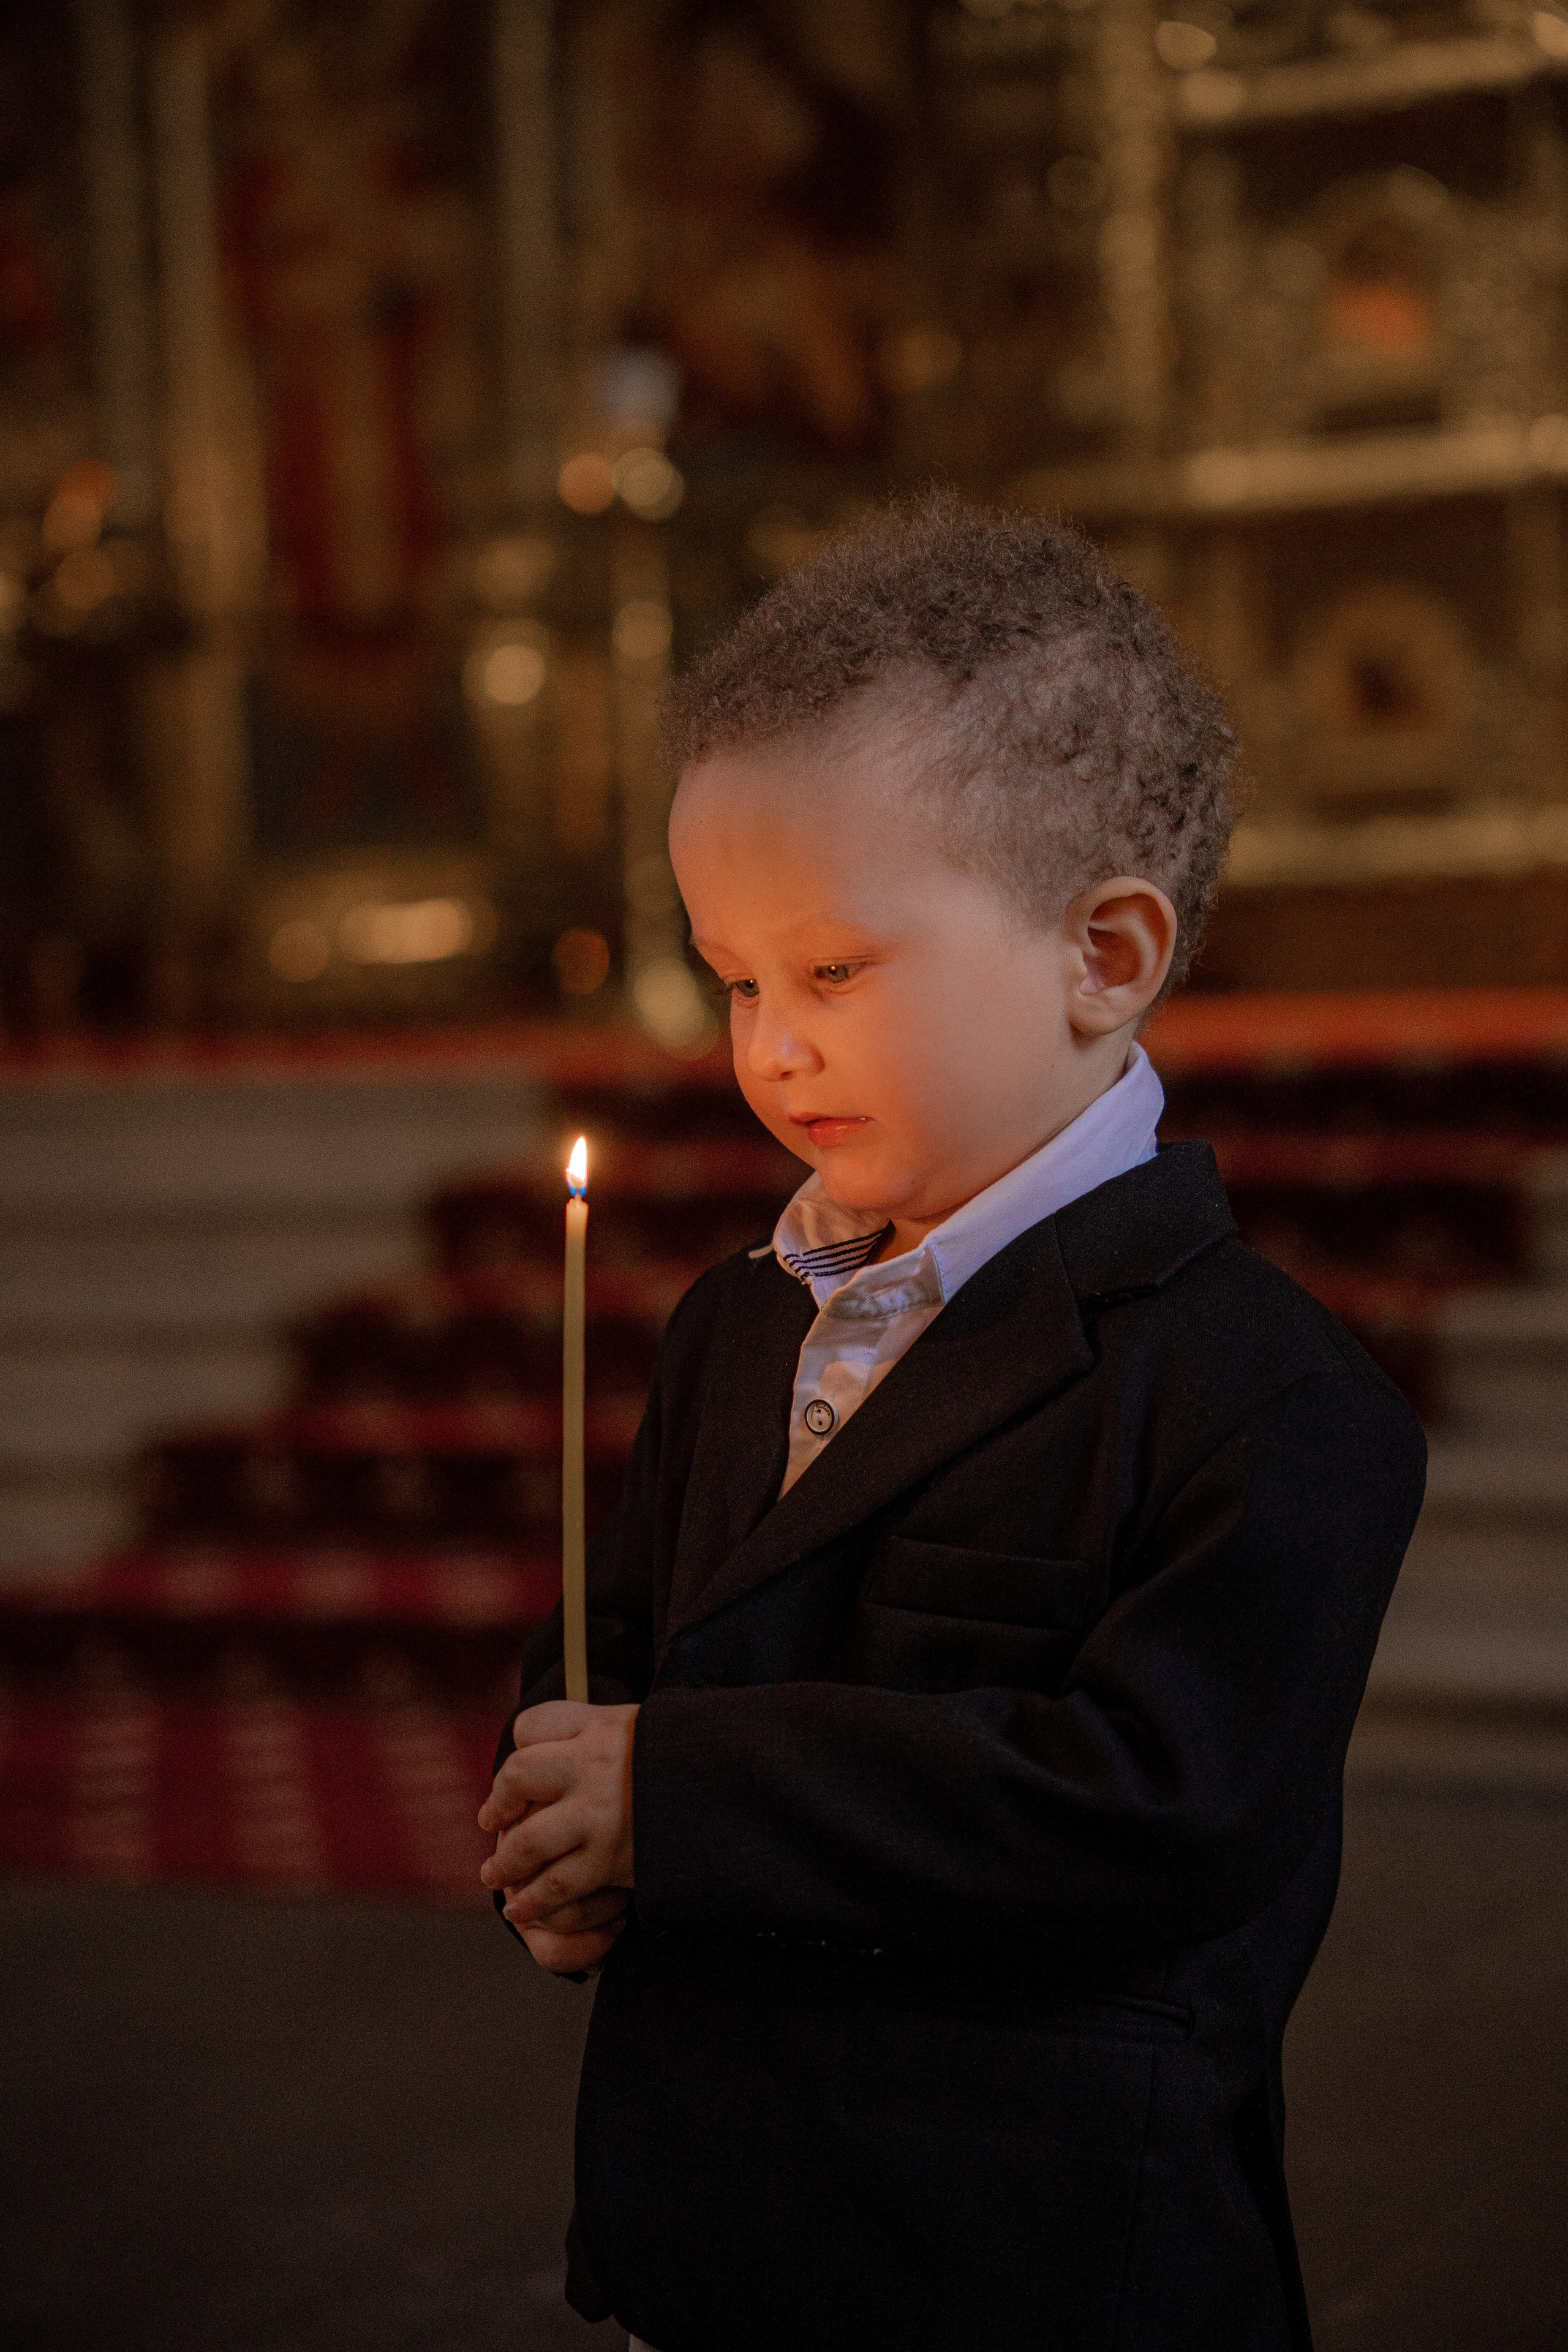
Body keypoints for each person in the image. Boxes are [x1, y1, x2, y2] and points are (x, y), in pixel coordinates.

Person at [478, 496, 1427, 2352]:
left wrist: (678, 1797)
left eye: (833, 971)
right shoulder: (735, 1322)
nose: (772, 1045)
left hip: (1029, 2259)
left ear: (1106, 957)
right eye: (738, 980)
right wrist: (560, 1811)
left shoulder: (1269, 1394)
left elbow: (1160, 1812)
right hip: (715, 2226)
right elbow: (624, 1639)